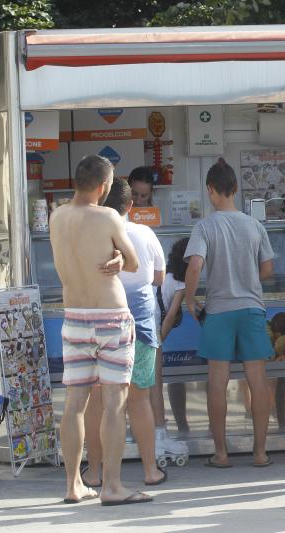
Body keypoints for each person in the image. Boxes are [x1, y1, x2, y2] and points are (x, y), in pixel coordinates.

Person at [50, 154, 151, 505]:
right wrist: (122, 259)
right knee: (113, 404)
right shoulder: (108, 215)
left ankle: (73, 485)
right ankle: (111, 486)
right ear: (105, 186)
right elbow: (135, 263)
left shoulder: (56, 216)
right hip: (110, 316)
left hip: (74, 315)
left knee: (74, 404)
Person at [184, 158, 276, 468]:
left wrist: (189, 298)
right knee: (258, 381)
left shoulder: (204, 226)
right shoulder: (254, 225)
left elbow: (195, 265)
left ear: (210, 189)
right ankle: (260, 452)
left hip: (219, 310)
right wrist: (247, 277)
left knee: (217, 382)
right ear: (236, 189)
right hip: (251, 309)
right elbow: (268, 269)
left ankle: (221, 453)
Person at [81, 177, 167, 488]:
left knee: (98, 399)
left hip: (100, 320)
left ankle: (93, 472)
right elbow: (159, 278)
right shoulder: (144, 233)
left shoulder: (92, 234)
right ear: (131, 205)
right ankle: (150, 471)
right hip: (140, 323)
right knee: (139, 399)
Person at [153, 237, 193, 448]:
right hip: (152, 327)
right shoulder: (181, 282)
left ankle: (137, 428)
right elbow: (170, 316)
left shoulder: (164, 273)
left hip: (139, 321)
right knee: (155, 383)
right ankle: (159, 434)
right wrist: (159, 340)